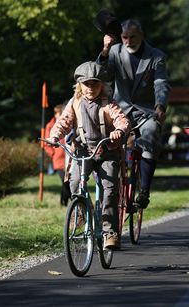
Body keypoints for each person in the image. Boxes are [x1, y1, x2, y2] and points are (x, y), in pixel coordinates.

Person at [48, 61, 130, 249]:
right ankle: (83, 213)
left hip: (107, 151)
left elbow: (122, 120)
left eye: (95, 84)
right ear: (79, 85)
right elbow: (63, 122)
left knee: (110, 190)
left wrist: (119, 130)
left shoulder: (108, 103)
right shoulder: (75, 102)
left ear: (102, 85)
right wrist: (54, 136)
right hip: (83, 151)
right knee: (75, 183)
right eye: (86, 84)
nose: (91, 88)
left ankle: (110, 232)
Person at [97, 19, 170, 209]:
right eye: (124, 37)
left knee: (151, 131)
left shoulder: (156, 56)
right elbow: (102, 76)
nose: (128, 41)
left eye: (132, 36)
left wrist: (160, 106)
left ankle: (144, 190)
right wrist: (105, 51)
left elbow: (160, 84)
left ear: (142, 35)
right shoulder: (115, 52)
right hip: (119, 110)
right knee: (107, 140)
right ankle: (112, 187)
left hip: (145, 112)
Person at [44, 104, 71, 206]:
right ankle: (66, 201)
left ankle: (63, 202)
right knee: (65, 181)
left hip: (68, 157)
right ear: (55, 114)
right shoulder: (50, 125)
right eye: (59, 114)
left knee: (68, 181)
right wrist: (53, 153)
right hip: (58, 159)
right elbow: (46, 143)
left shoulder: (67, 124)